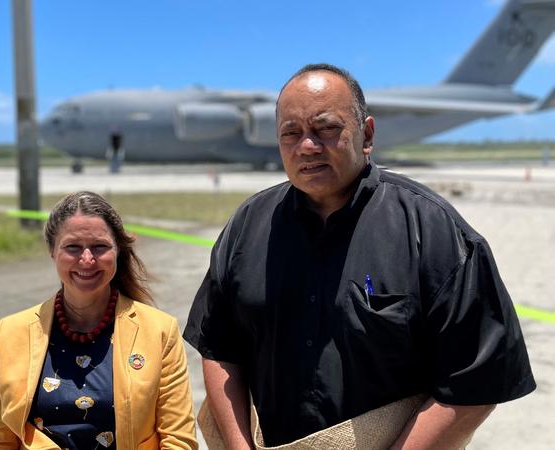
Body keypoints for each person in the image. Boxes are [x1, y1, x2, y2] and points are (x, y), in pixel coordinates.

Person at [184, 64, 535, 449]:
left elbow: (477, 380)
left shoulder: (432, 230)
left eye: (326, 129)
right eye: (291, 133)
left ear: (366, 134)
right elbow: (219, 347)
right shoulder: (247, 227)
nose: (307, 146)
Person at [0, 191, 197, 450]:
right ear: (52, 251)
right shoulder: (12, 332)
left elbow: (179, 440)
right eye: (72, 247)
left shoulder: (159, 331)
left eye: (99, 247)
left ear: (117, 251)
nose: (87, 260)